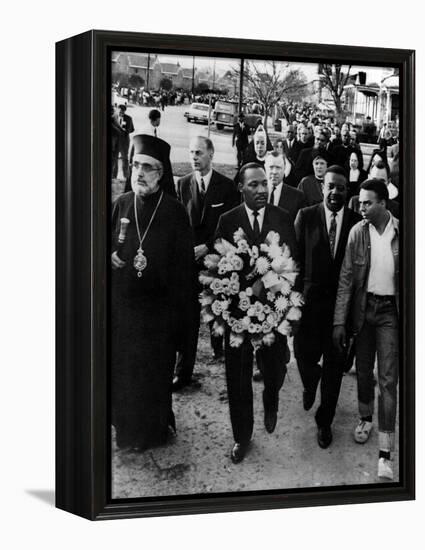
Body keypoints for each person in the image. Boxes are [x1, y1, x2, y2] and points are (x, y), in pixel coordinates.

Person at [111, 134, 194, 452]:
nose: (139, 173)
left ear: (161, 173)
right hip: (124, 312)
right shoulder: (121, 204)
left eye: (147, 167)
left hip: (158, 315)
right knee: (124, 372)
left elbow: (185, 273)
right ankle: (127, 431)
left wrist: (181, 327)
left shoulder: (174, 213)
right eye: (135, 165)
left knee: (153, 375)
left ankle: (154, 431)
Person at [215, 163, 297, 464]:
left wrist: (270, 283)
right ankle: (242, 436)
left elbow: (293, 264)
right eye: (254, 185)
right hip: (238, 314)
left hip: (273, 313)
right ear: (241, 188)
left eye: (264, 183)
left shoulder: (282, 219)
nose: (261, 190)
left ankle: (271, 395)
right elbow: (216, 266)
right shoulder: (227, 220)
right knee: (237, 378)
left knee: (273, 368)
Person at [333, 179, 399, 480]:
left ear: (383, 203)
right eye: (359, 202)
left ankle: (386, 451)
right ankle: (365, 417)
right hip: (363, 312)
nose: (360, 207)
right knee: (363, 372)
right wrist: (339, 321)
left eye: (367, 202)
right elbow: (346, 280)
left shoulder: (402, 232)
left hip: (389, 314)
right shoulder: (357, 233)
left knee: (387, 379)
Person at [294, 166, 361, 448]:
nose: (335, 192)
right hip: (308, 310)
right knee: (303, 356)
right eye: (331, 186)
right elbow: (294, 262)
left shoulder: (357, 224)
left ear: (348, 191)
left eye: (341, 188)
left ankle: (325, 422)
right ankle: (310, 383)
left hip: (339, 312)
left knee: (334, 370)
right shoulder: (306, 217)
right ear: (323, 187)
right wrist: (292, 306)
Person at [174, 136, 240, 390]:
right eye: (191, 152)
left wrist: (209, 247)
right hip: (189, 263)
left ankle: (223, 357)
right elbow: (178, 224)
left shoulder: (226, 187)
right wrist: (187, 249)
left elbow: (232, 227)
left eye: (199, 153)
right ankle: (184, 371)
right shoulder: (182, 184)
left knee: (218, 312)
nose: (194, 157)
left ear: (211, 154)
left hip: (215, 262)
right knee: (189, 319)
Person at [112, 104, 135, 180]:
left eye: (122, 111)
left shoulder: (128, 118)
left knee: (124, 158)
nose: (121, 113)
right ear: (117, 109)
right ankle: (113, 176)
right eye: (119, 111)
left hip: (124, 141)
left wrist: (123, 131)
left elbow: (131, 129)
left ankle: (126, 176)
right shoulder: (113, 118)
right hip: (115, 141)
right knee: (114, 158)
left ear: (125, 111)